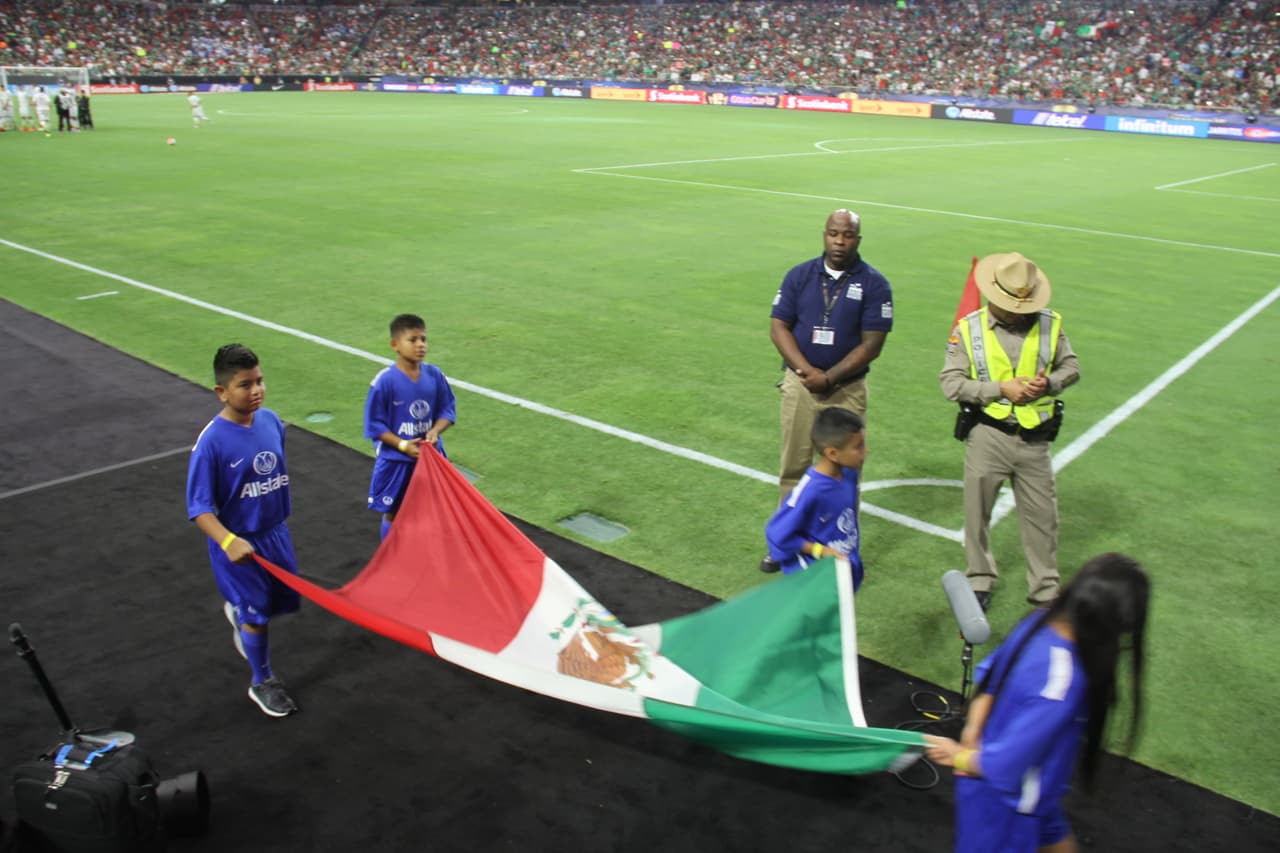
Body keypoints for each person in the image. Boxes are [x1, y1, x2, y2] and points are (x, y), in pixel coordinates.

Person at [924, 552, 1150, 853]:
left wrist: (972, 732)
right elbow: (1005, 768)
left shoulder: (1039, 622)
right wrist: (957, 756)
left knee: (1053, 834)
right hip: (1009, 800)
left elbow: (990, 682)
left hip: (1030, 780)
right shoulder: (1061, 684)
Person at [940, 252, 1079, 609]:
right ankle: (980, 579)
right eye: (1012, 305)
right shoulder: (969, 329)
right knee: (976, 513)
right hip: (988, 434)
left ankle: (1046, 590)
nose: (1020, 312)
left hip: (1035, 439)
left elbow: (1071, 367)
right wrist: (1002, 389)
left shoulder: (1050, 324)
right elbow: (951, 384)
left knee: (1043, 517)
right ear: (993, 295)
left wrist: (1049, 383)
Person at [762, 208, 893, 572]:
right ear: (824, 234)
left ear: (858, 240)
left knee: (847, 473)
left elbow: (872, 344)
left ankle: (840, 545)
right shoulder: (800, 276)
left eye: (847, 235)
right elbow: (778, 326)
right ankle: (784, 546)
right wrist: (807, 373)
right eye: (834, 233)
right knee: (793, 465)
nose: (839, 241)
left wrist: (830, 377)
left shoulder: (874, 284)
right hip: (801, 386)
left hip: (846, 391)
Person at [186, 344, 301, 718]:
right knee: (258, 618)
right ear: (221, 391)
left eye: (260, 381)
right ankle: (261, 680)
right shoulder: (212, 443)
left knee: (277, 605)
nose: (256, 391)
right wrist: (228, 540)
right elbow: (199, 509)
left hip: (275, 534)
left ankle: (239, 613)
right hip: (238, 544)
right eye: (244, 385)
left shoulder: (270, 421)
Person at [364, 313, 457, 540]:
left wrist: (435, 430)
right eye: (413, 340)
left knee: (432, 511)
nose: (420, 345)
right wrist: (403, 445)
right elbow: (374, 425)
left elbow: (448, 411)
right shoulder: (384, 382)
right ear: (395, 344)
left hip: (430, 458)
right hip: (396, 460)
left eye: (423, 339)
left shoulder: (434, 375)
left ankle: (421, 556)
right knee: (394, 513)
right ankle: (391, 557)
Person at [763, 407, 867, 589]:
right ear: (833, 453)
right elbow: (777, 533)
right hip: (812, 577)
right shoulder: (811, 490)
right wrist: (820, 551)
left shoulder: (849, 474)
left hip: (842, 569)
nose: (865, 452)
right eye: (858, 447)